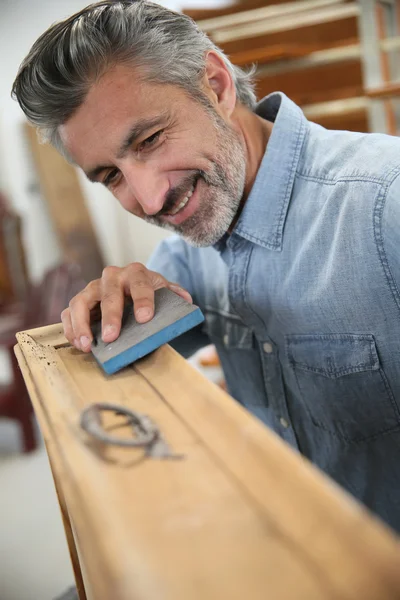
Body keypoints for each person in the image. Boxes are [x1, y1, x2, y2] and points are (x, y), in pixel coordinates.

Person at [12, 0, 400, 533]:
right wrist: (117, 308)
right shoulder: (193, 234)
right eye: (111, 176)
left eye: (149, 140)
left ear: (216, 85)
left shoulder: (388, 202)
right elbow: (128, 363)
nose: (149, 201)